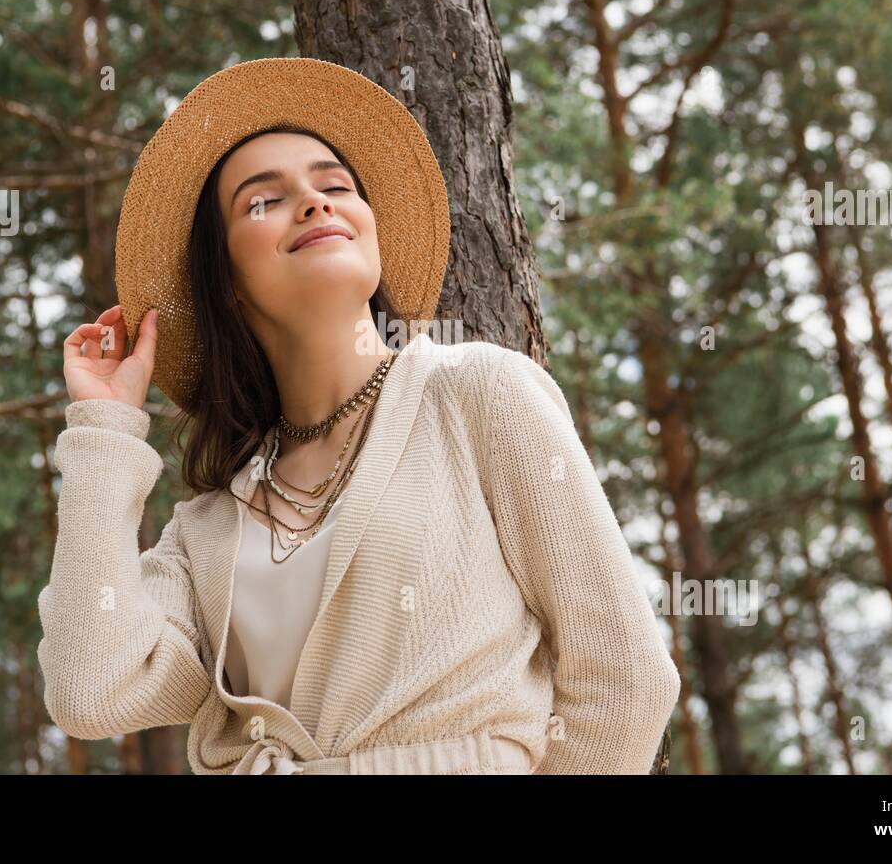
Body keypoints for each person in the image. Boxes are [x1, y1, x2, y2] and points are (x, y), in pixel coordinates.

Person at [36, 57, 681, 774]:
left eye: (335, 185)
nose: (315, 202)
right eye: (263, 201)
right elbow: (91, 688)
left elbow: (624, 679)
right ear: (225, 284)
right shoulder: (210, 527)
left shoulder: (481, 394)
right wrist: (102, 429)